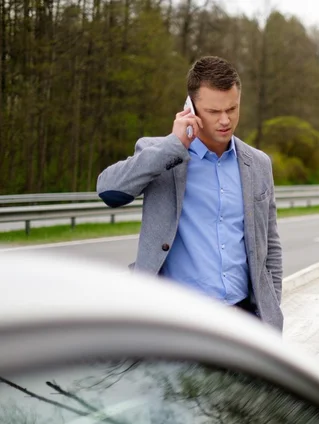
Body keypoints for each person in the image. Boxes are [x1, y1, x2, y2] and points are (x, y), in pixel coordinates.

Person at [97, 56, 283, 331]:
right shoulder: (162, 155)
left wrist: (271, 306)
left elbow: (271, 248)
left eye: (232, 109)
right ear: (191, 108)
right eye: (213, 111)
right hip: (177, 321)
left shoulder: (258, 163)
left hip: (244, 320)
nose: (225, 120)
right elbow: (108, 190)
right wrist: (173, 146)